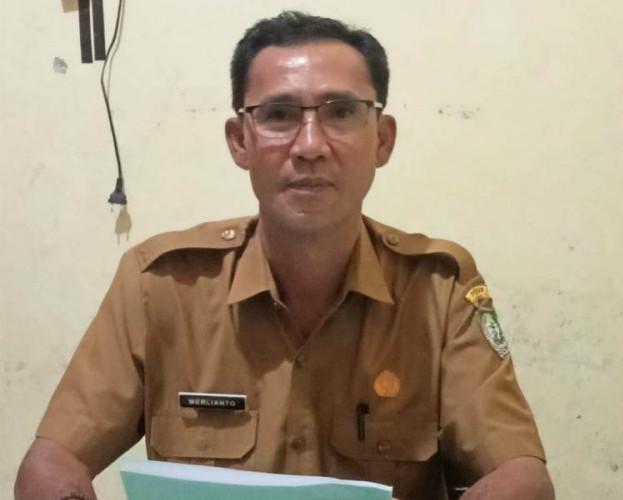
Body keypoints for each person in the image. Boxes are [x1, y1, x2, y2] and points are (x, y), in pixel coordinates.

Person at [15, 11, 554, 500]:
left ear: (383, 140)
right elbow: (49, 464)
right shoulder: (160, 285)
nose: (310, 145)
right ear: (239, 141)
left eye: (341, 112)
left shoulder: (439, 288)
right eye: (278, 114)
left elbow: (521, 477)